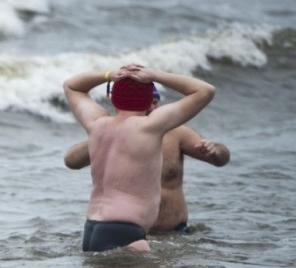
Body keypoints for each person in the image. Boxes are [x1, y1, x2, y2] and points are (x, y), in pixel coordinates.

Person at [63, 64, 215, 251]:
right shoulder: (150, 127)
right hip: (126, 231)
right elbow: (205, 90)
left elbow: (72, 86)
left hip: (93, 227)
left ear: (113, 99)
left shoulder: (96, 123)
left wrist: (109, 75)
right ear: (149, 99)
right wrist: (154, 75)